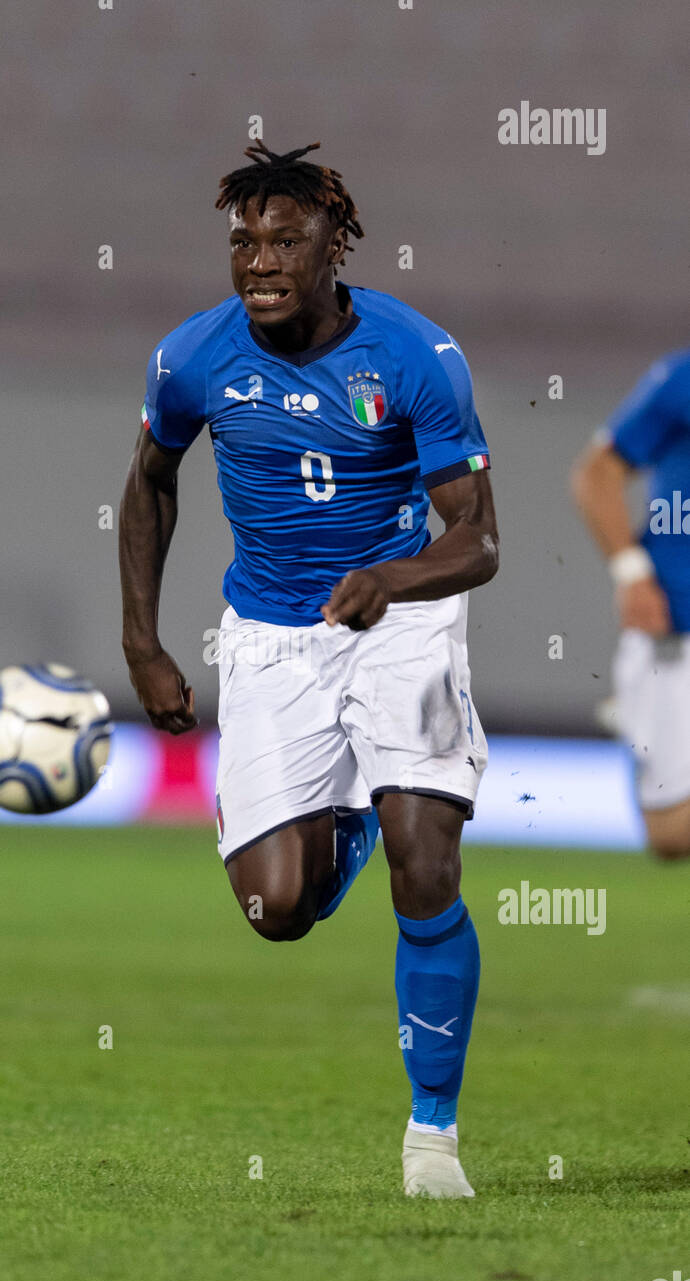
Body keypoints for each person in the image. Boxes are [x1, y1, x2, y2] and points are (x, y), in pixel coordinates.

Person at [119, 140, 498, 1197]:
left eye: (285, 239)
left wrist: (393, 576)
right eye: (243, 241)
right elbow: (150, 482)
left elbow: (478, 540)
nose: (260, 260)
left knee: (429, 861)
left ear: (337, 246)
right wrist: (142, 641)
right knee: (275, 910)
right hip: (270, 642)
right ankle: (352, 815)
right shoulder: (191, 358)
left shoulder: (417, 357)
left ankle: (431, 1137)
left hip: (401, 623)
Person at [572, 348, 690, 858]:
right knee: (669, 832)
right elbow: (596, 472)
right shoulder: (682, 379)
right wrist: (631, 573)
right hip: (674, 627)